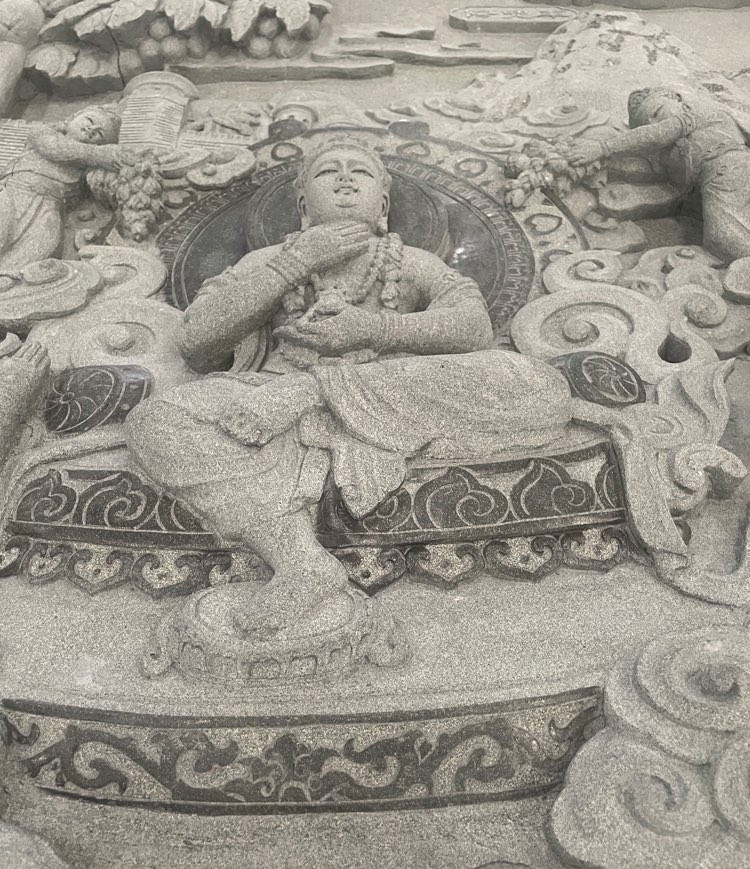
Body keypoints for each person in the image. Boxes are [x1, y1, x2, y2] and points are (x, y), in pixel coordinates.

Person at [125, 138, 571, 637]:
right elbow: (196, 342)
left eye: (358, 171)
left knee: (539, 383)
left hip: (386, 396)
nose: (343, 179)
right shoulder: (269, 262)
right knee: (155, 420)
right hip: (268, 392)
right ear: (302, 205)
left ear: (383, 204)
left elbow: (473, 328)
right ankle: (301, 564)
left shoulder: (408, 261)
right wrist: (292, 265)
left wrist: (373, 330)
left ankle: (313, 392)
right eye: (327, 172)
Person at [564, 87, 750, 263]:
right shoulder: (672, 153)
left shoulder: (701, 114)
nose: (653, 123)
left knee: (724, 240)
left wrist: (603, 148)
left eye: (656, 112)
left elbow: (657, 134)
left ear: (680, 102)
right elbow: (646, 165)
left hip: (730, 168)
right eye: (647, 123)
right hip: (717, 181)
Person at [0, 106, 121, 270]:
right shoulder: (44, 133)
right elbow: (55, 149)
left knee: (46, 242)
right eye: (89, 120)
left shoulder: (84, 170)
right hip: (15, 191)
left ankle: (9, 277)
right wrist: (104, 154)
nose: (91, 129)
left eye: (99, 134)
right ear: (72, 118)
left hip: (50, 206)